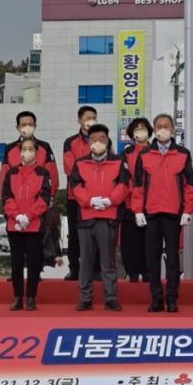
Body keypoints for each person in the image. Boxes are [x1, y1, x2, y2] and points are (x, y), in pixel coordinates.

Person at [133, 114, 193, 313]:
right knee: (152, 258)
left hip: (173, 212)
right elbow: (137, 185)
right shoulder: (145, 154)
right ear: (154, 129)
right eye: (159, 126)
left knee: (173, 258)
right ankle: (156, 299)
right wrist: (137, 210)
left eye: (166, 125)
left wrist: (188, 210)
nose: (163, 129)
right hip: (150, 212)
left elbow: (189, 185)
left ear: (173, 128)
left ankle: (172, 298)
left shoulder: (183, 154)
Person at [69, 124, 129, 311]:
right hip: (86, 217)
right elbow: (75, 186)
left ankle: (110, 298)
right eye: (93, 139)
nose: (98, 142)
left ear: (108, 141)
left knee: (108, 261)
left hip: (108, 217)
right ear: (88, 142)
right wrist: (89, 201)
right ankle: (85, 298)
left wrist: (110, 200)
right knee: (86, 261)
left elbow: (124, 185)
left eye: (102, 139)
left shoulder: (118, 162)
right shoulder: (80, 163)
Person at [1, 136, 51, 311]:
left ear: (36, 152)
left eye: (30, 149)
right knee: (16, 263)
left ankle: (30, 297)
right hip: (14, 225)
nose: (26, 152)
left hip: (34, 225)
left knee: (33, 262)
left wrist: (28, 216)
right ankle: (17, 297)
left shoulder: (43, 173)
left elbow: (44, 199)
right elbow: (6, 197)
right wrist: (17, 216)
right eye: (24, 149)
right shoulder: (11, 173)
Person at [62, 105, 98, 281]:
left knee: (97, 233)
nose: (91, 121)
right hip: (75, 196)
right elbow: (70, 168)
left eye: (94, 118)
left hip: (97, 197)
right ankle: (74, 269)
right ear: (79, 120)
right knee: (75, 234)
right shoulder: (70, 142)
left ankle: (97, 270)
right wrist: (88, 176)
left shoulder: (102, 140)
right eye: (88, 118)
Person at [120, 117, 153, 282]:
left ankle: (148, 271)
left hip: (152, 203)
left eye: (143, 128)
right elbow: (124, 177)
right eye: (137, 128)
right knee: (130, 241)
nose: (140, 131)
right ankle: (132, 272)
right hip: (130, 202)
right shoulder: (126, 153)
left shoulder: (155, 150)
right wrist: (135, 193)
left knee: (149, 240)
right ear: (132, 134)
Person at [0, 111, 58, 200]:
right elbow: (4, 174)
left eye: (30, 124)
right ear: (17, 128)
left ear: (35, 126)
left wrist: (51, 196)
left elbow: (52, 173)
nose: (27, 127)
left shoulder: (44, 147)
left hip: (40, 200)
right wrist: (4, 197)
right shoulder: (9, 148)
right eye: (23, 125)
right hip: (15, 201)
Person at [42, 204, 64, 270]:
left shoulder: (53, 231)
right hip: (46, 264)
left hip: (50, 263)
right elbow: (41, 248)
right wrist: (54, 257)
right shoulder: (47, 231)